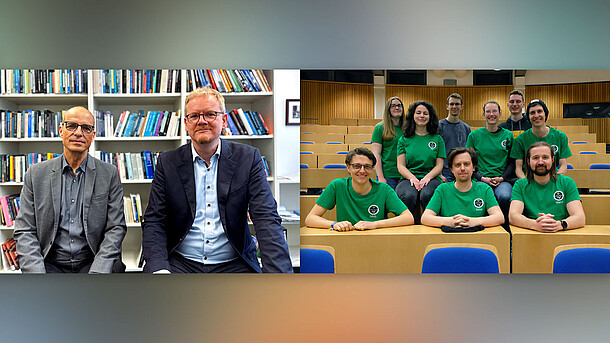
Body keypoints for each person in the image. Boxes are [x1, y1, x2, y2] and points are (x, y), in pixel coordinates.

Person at [142, 87, 292, 273]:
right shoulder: (167, 162)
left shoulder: (248, 158)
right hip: (181, 262)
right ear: (186, 123)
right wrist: (159, 268)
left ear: (224, 119)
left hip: (234, 262)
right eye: (194, 116)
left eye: (210, 114)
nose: (202, 121)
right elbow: (155, 220)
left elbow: (266, 217)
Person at [14, 106, 126, 273]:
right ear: (61, 130)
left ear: (93, 136)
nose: (79, 133)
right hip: (49, 263)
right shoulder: (35, 174)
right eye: (72, 126)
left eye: (86, 128)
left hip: (93, 261)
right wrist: (37, 275)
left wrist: (98, 272)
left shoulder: (109, 174)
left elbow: (116, 228)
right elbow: (25, 230)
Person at [305, 147, 414, 231]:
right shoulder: (337, 185)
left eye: (367, 166)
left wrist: (374, 224)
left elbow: (408, 218)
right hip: (345, 239)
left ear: (372, 169)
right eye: (357, 166)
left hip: (376, 239)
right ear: (348, 167)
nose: (362, 171)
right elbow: (310, 218)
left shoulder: (383, 189)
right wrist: (334, 224)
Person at [509, 142, 585, 232]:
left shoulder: (567, 182)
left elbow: (580, 218)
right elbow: (513, 216)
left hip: (561, 234)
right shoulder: (520, 184)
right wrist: (535, 225)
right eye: (535, 158)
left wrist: (559, 225)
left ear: (553, 159)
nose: (540, 162)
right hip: (531, 235)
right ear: (528, 161)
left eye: (545, 157)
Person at [421, 147, 504, 228]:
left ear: (473, 167)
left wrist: (472, 222)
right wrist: (450, 221)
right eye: (458, 165)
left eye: (466, 164)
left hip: (476, 239)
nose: (462, 168)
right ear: (452, 169)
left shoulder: (484, 189)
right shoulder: (442, 189)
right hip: (449, 239)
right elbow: (425, 218)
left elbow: (499, 217)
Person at [465, 101, 515, 223]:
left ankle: (505, 229)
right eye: (488, 111)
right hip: (480, 179)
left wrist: (502, 178)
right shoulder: (474, 135)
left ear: (500, 114)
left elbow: (512, 162)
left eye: (494, 111)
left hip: (502, 180)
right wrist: (482, 178)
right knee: (479, 199)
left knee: (505, 197)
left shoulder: (508, 135)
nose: (491, 114)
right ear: (483, 115)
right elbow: (468, 161)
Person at [395, 100, 445, 217]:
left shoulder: (437, 139)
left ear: (430, 116)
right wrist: (412, 178)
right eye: (418, 113)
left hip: (431, 178)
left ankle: (431, 225)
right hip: (408, 178)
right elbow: (401, 165)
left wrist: (427, 178)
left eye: (425, 113)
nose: (422, 116)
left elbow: (439, 165)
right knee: (408, 196)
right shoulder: (404, 139)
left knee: (427, 194)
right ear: (413, 116)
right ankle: (408, 226)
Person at [511, 99, 572, 179]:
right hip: (529, 181)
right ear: (528, 117)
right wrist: (526, 183)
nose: (536, 115)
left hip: (553, 180)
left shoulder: (560, 136)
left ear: (545, 114)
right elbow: (518, 169)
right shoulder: (520, 139)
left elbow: (563, 165)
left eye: (539, 111)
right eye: (532, 113)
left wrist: (555, 181)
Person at [371, 96, 405, 190]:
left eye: (399, 105)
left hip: (406, 175)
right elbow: (376, 154)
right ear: (388, 109)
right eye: (393, 106)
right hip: (388, 175)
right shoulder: (380, 128)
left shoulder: (407, 128)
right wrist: (381, 177)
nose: (397, 108)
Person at [438, 93, 471, 182]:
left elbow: (468, 151)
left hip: (461, 171)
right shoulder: (439, 126)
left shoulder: (466, 128)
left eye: (457, 104)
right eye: (451, 104)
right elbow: (434, 151)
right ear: (447, 106)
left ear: (461, 107)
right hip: (444, 172)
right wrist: (439, 173)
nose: (454, 106)